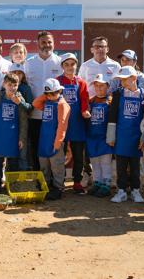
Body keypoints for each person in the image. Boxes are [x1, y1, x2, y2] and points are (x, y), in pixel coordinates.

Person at [107, 66, 144, 203]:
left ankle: (136, 190)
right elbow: (112, 116)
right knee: (121, 166)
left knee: (135, 166)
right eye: (120, 80)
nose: (122, 82)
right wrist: (111, 136)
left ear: (134, 78)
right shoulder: (117, 94)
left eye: (125, 79)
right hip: (121, 136)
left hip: (137, 137)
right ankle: (121, 191)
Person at [25, 31, 62, 170]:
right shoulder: (29, 63)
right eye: (43, 42)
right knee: (35, 146)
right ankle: (38, 177)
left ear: (53, 43)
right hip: (35, 114)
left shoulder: (59, 62)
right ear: (38, 44)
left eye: (49, 42)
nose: (47, 45)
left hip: (54, 116)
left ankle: (55, 180)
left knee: (54, 147)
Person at [57, 53, 91, 194]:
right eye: (67, 64)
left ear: (76, 66)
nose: (70, 67)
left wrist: (84, 111)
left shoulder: (81, 82)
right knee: (60, 155)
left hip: (77, 123)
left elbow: (84, 99)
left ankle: (77, 182)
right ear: (62, 67)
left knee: (78, 155)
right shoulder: (57, 81)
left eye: (73, 64)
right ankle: (60, 182)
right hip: (62, 124)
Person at [0, 73, 28, 186]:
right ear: (4, 84)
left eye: (15, 85)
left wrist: (21, 138)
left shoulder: (19, 98)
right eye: (9, 84)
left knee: (13, 163)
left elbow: (23, 120)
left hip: (13, 137)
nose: (12, 88)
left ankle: (12, 186)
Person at [33, 78, 70, 200]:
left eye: (54, 93)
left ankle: (58, 188)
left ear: (60, 91)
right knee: (44, 165)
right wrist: (45, 96)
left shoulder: (62, 105)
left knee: (57, 166)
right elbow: (35, 103)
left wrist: (58, 142)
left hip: (55, 141)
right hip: (44, 140)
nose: (51, 96)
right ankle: (46, 185)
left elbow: (62, 125)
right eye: (48, 94)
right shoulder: (47, 101)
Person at [86, 74, 113, 198]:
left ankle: (106, 184)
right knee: (95, 161)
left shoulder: (111, 101)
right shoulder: (91, 101)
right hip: (92, 136)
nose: (98, 88)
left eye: (101, 85)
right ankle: (97, 182)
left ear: (107, 86)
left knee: (105, 162)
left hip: (105, 136)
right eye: (96, 86)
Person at [8, 62, 33, 170]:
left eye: (20, 73)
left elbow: (30, 107)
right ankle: (11, 176)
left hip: (22, 125)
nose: (17, 75)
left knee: (23, 152)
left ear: (24, 75)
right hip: (9, 126)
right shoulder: (5, 88)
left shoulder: (26, 88)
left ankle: (23, 177)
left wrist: (20, 103)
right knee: (11, 152)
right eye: (15, 72)